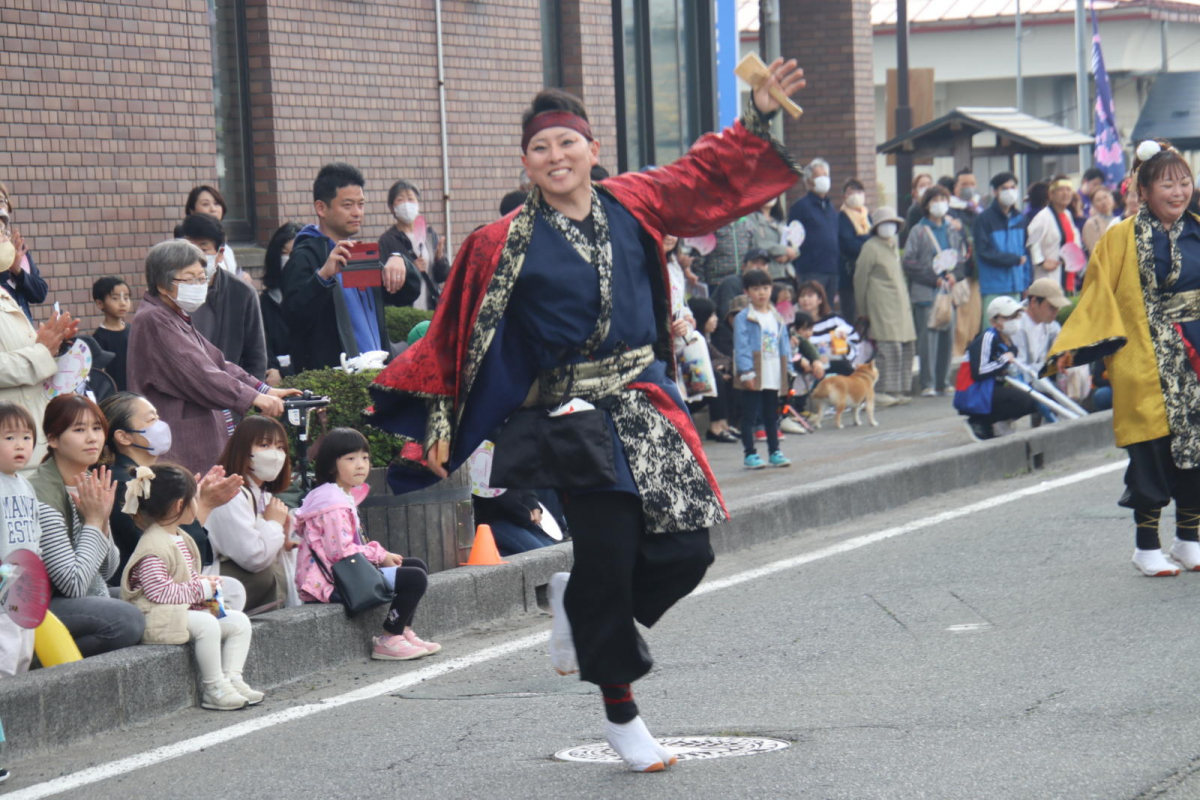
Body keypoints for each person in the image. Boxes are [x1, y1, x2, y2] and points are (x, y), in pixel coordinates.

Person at [366, 62, 805, 773]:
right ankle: (621, 712)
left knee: (688, 551)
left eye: (568, 143)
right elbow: (454, 335)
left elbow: (706, 175)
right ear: (525, 163)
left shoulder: (636, 202)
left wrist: (755, 117)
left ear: (592, 149)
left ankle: (578, 604)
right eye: (541, 149)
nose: (556, 158)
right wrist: (440, 430)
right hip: (567, 417)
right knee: (606, 553)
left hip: (643, 400)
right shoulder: (498, 242)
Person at [1046, 138, 1200, 578]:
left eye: (1184, 182)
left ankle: (1189, 538)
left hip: (1195, 357)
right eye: (1167, 184)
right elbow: (1097, 299)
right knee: (1149, 451)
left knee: (1197, 449)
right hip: (1143, 355)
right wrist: (1083, 350)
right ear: (1144, 189)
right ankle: (1146, 544)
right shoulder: (1119, 237)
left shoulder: (1197, 229)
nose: (1178, 192)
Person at [126, 239, 298, 474]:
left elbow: (217, 362)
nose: (198, 285)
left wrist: (263, 390)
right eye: (189, 279)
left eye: (201, 277)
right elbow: (200, 373)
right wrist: (253, 398)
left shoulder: (173, 315)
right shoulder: (154, 319)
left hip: (196, 434)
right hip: (182, 440)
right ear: (162, 285)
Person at [120, 463, 262, 711]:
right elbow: (159, 592)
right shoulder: (154, 544)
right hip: (155, 616)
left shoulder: (178, 536)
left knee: (238, 621)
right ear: (179, 506)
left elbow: (181, 582)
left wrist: (204, 587)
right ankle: (214, 687)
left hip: (178, 611)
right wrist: (201, 589)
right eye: (193, 498)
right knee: (207, 624)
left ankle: (232, 679)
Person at [294, 428, 440, 661]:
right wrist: (379, 555)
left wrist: (380, 554)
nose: (360, 465)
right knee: (414, 578)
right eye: (350, 459)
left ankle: (402, 630)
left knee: (416, 565)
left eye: (364, 458)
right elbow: (340, 552)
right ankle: (389, 639)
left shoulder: (337, 494)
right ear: (332, 465)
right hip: (330, 582)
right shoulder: (333, 502)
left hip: (344, 574)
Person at [29, 394, 145, 657]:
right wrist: (94, 520)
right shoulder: (41, 493)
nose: (92, 438)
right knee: (127, 620)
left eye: (96, 428)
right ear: (53, 439)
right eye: (79, 430)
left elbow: (106, 571)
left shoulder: (91, 480)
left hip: (80, 593)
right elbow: (73, 585)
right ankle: (39, 664)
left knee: (154, 597)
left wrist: (102, 521)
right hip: (44, 604)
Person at [282, 163, 417, 371]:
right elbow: (293, 317)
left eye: (361, 204)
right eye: (347, 205)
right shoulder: (305, 256)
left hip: (375, 375)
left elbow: (404, 295)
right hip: (333, 384)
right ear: (321, 208)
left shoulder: (359, 254)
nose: (357, 213)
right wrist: (323, 276)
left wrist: (401, 262)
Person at [99, 392, 240, 583]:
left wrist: (194, 502)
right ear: (123, 436)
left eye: (158, 417)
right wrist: (202, 506)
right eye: (150, 419)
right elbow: (161, 554)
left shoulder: (152, 477)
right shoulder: (124, 484)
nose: (160, 425)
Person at [205, 416, 296, 611]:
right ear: (243, 451)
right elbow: (253, 557)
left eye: (280, 447)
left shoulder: (261, 494)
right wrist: (273, 525)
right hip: (208, 591)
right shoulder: (228, 493)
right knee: (265, 574)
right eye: (264, 445)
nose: (274, 454)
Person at [177, 213, 268, 380]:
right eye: (189, 248)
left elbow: (256, 356)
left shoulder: (242, 293)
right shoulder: (170, 290)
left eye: (203, 249)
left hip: (229, 393)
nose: (195, 257)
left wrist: (251, 399)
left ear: (220, 254)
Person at [903, 185, 968, 397]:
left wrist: (954, 275)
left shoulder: (951, 230)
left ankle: (943, 380)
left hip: (948, 292)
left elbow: (961, 260)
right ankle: (927, 382)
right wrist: (934, 278)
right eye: (935, 199)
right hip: (926, 293)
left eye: (944, 199)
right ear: (927, 204)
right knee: (928, 338)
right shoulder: (918, 231)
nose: (940, 203)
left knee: (947, 337)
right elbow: (909, 262)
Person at [854, 207, 915, 407]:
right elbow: (860, 278)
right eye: (884, 224)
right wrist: (863, 310)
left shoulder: (892, 245)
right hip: (880, 304)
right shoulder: (870, 247)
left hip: (900, 306)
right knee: (889, 348)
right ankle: (881, 390)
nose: (888, 227)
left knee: (905, 347)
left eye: (892, 224)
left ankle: (899, 389)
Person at [956, 296, 1037, 441]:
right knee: (1022, 399)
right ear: (994, 321)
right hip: (973, 392)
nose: (1014, 320)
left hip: (989, 389)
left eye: (1016, 316)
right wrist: (1004, 360)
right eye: (1008, 317)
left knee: (1033, 400)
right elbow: (979, 371)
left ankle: (995, 421)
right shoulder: (987, 337)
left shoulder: (1009, 342)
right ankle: (980, 421)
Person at [733, 269, 792, 469]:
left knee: (771, 414)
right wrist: (746, 371)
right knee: (749, 414)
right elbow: (741, 346)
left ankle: (775, 451)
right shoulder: (743, 317)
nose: (761, 293)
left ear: (771, 289)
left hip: (773, 371)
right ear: (747, 291)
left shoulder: (777, 317)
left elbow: (784, 344)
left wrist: (789, 368)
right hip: (755, 371)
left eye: (765, 288)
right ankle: (750, 454)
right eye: (756, 289)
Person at [0, 402, 41, 675]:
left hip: (25, 583)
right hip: (4, 581)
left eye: (27, 437)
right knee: (5, 651)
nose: (20, 445)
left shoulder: (26, 485)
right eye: (9, 438)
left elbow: (35, 534)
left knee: (24, 652)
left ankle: (17, 713)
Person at [378, 180, 451, 312]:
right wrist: (411, 269)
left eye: (411, 199)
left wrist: (440, 260)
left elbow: (442, 276)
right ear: (391, 207)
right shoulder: (387, 240)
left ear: (418, 204)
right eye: (400, 200)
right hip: (405, 311)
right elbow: (385, 282)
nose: (406, 204)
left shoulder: (429, 234)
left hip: (431, 308)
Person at [974, 172, 1032, 326]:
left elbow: (1027, 252)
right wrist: (1013, 260)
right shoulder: (984, 219)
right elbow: (984, 251)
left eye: (1012, 187)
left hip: (1016, 285)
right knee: (992, 330)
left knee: (1014, 330)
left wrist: (1026, 283)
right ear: (995, 192)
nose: (1009, 191)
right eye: (1004, 188)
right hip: (993, 286)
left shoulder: (1021, 218)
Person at [789, 157, 839, 305]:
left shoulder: (830, 207)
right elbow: (792, 239)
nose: (824, 179)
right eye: (819, 175)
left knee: (827, 310)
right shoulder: (801, 207)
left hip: (832, 269)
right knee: (812, 309)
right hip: (811, 270)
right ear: (809, 180)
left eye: (826, 175)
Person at [687, 297, 737, 443]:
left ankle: (724, 424)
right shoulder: (691, 338)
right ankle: (716, 427)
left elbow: (726, 359)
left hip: (699, 388)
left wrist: (719, 367)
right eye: (711, 315)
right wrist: (714, 368)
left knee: (726, 376)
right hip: (687, 393)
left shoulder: (703, 339)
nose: (715, 319)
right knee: (715, 376)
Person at [259, 222, 301, 386]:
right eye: (284, 252)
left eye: (294, 253)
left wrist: (284, 373)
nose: (288, 259)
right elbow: (261, 345)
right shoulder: (266, 301)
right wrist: (273, 370)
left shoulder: (318, 297)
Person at [0, 184, 48, 322]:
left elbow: (39, 294)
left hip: (25, 335)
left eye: (1, 201)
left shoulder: (18, 247)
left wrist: (17, 270)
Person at [1027, 175, 1084, 292]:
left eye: (1068, 190)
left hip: (1067, 273)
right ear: (1051, 194)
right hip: (1049, 275)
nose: (1065, 194)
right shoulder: (1043, 216)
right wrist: (1041, 261)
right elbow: (1032, 240)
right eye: (1060, 190)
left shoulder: (1067, 215)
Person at [797, 280, 859, 377]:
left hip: (837, 370)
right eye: (802, 296)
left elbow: (855, 343)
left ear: (820, 299)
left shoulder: (834, 321)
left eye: (810, 296)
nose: (805, 299)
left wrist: (845, 347)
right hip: (809, 372)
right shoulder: (796, 324)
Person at [472, 489, 558, 557]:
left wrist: (533, 504)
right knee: (542, 556)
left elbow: (522, 477)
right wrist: (525, 515)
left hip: (519, 515)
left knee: (552, 552)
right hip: (491, 519)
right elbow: (503, 498)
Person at [184, 185, 240, 277]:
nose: (213, 209)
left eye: (216, 203)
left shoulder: (227, 250)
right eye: (205, 204)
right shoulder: (185, 243)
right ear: (192, 210)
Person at [837, 179, 871, 323]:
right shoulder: (842, 217)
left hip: (868, 272)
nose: (856, 195)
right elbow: (848, 243)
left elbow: (875, 237)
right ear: (844, 196)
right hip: (848, 272)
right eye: (851, 192)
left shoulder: (867, 216)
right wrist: (868, 245)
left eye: (859, 192)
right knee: (850, 313)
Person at [740, 198, 795, 286]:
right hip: (769, 275)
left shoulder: (779, 220)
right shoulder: (750, 218)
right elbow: (759, 242)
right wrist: (785, 250)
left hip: (787, 273)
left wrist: (789, 255)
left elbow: (793, 243)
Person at [91, 277, 132, 392]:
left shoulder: (133, 330)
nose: (123, 303)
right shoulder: (99, 338)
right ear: (100, 303)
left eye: (126, 298)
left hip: (135, 392)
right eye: (115, 298)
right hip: (115, 396)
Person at [713, 248, 768, 321]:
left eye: (763, 264)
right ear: (744, 266)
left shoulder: (767, 287)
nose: (759, 267)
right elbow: (727, 315)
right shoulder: (731, 282)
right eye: (755, 262)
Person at [901, 173, 934, 247]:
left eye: (929, 184)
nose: (927, 187)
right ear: (915, 192)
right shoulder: (915, 210)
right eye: (922, 185)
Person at [1082, 186, 1116, 255]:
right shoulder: (1092, 224)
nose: (1103, 202)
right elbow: (1095, 252)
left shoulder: (1118, 220)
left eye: (1105, 197)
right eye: (1098, 200)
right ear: (1093, 205)